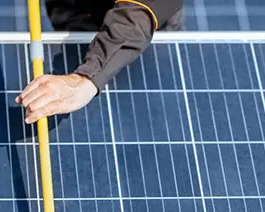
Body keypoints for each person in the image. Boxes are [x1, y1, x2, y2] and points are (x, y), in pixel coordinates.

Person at [16, 0, 183, 124]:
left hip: (143, 29)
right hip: (77, 17)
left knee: (149, 119)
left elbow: (137, 15)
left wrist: (87, 76)